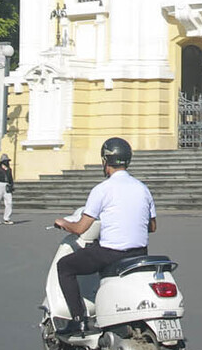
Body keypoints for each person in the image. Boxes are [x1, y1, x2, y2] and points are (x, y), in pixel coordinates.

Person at [52, 137, 156, 336]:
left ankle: (78, 321)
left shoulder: (102, 189)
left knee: (64, 266)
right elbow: (152, 226)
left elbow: (81, 228)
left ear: (105, 161)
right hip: (139, 252)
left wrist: (64, 223)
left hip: (111, 253)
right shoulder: (143, 188)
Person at [0, 155, 15, 225]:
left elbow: (11, 179)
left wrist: (11, 186)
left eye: (7, 161)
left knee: (9, 202)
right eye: (6, 161)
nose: (7, 162)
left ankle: (7, 218)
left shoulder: (9, 169)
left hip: (7, 186)